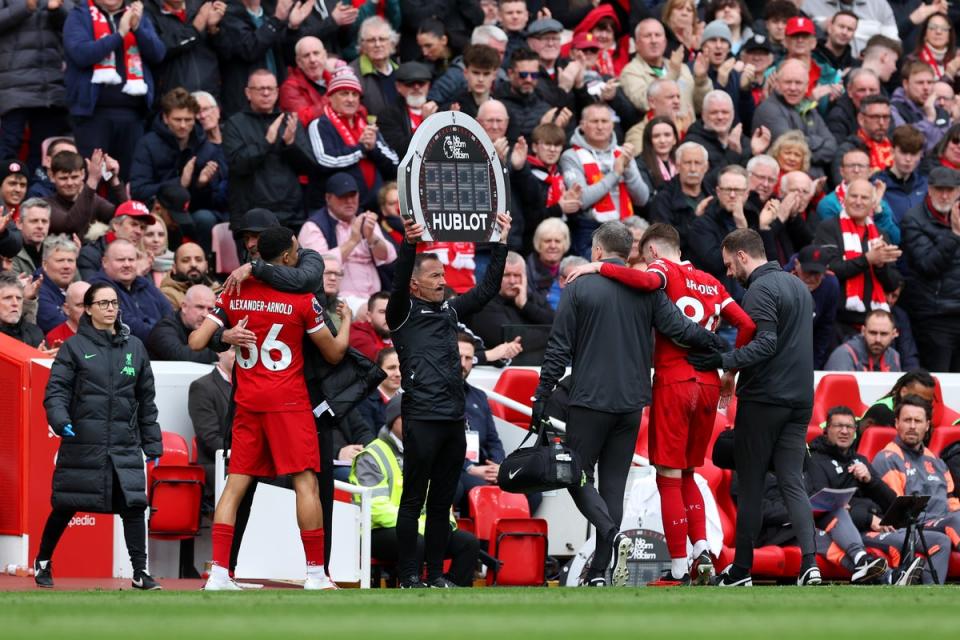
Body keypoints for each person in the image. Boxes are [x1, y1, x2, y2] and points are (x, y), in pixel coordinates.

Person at [534, 220, 726, 587]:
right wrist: (720, 346)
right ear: (630, 253)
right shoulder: (648, 292)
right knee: (613, 484)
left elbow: (557, 348)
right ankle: (601, 572)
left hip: (590, 399)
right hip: (632, 403)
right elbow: (682, 329)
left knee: (573, 473)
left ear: (596, 251)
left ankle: (606, 533)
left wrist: (542, 395)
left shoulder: (580, 286)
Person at [189, 226, 352, 591]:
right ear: (288, 257)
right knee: (306, 484)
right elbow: (334, 353)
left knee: (234, 487)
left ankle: (218, 573)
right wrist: (348, 324)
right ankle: (314, 574)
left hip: (248, 402)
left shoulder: (235, 291)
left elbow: (196, 340)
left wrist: (226, 337)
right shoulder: (301, 299)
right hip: (289, 403)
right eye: (295, 249)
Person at [384, 211, 512, 589]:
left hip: (453, 420)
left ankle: (436, 575)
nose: (443, 281)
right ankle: (408, 575)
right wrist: (409, 243)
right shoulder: (402, 313)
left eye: (443, 275)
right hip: (421, 418)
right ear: (416, 284)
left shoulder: (451, 311)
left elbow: (487, 290)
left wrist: (501, 243)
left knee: (442, 504)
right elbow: (396, 281)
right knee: (413, 501)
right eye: (435, 276)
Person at [688, 228, 819, 587]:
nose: (729, 273)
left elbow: (765, 345)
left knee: (750, 484)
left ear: (743, 256)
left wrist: (721, 361)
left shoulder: (761, 289)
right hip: (800, 399)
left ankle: (742, 569)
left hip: (764, 399)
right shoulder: (798, 287)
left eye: (730, 265)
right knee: (792, 481)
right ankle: (811, 564)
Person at [35, 281, 163, 590]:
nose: (110, 308)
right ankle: (43, 561)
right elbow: (56, 391)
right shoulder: (73, 347)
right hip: (84, 442)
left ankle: (139, 572)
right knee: (66, 505)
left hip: (124, 444)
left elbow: (146, 400)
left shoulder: (135, 347)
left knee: (133, 506)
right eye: (103, 303)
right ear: (88, 309)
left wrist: (152, 442)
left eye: (114, 303)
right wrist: (60, 419)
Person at [349, 394, 480, 587]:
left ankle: (449, 591)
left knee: (468, 543)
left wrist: (445, 525)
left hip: (418, 527)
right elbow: (375, 508)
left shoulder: (427, 449)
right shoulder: (372, 455)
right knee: (415, 540)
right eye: (408, 415)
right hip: (377, 530)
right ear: (393, 420)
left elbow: (438, 498)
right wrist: (418, 526)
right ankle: (410, 583)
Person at [806, 406, 943, 585]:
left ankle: (918, 585)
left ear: (856, 431)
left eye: (849, 427)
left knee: (938, 540)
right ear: (827, 430)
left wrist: (870, 480)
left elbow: (893, 504)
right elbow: (824, 505)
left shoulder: (860, 460)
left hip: (874, 525)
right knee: (899, 540)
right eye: (838, 426)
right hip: (846, 529)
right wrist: (868, 517)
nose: (844, 431)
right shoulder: (815, 461)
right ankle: (892, 576)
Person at [63, 0, 166, 182]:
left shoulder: (136, 14)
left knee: (126, 180)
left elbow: (158, 54)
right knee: (92, 180)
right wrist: (119, 35)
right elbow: (81, 54)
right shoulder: (80, 15)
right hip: (93, 115)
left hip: (132, 115)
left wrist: (138, 28)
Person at [128, 87, 227, 252]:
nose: (183, 125)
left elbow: (214, 201)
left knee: (206, 218)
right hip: (159, 210)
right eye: (177, 119)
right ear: (166, 118)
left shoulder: (204, 147)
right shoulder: (148, 144)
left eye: (188, 120)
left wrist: (201, 185)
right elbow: (138, 190)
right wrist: (179, 183)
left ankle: (203, 267)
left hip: (192, 210)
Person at [222, 69, 316, 230]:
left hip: (291, 215)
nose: (266, 93)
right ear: (248, 93)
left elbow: (309, 167)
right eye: (260, 89)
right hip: (251, 219)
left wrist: (290, 144)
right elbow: (237, 165)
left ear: (277, 92)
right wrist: (266, 142)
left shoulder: (289, 121)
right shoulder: (234, 124)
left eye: (270, 89)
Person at [872, 396, 960, 555]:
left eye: (918, 421)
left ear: (927, 426)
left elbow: (952, 502)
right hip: (913, 525)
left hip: (945, 521)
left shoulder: (936, 461)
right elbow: (898, 511)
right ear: (897, 423)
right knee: (956, 521)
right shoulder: (888, 458)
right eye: (907, 420)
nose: (912, 426)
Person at [814, 178, 901, 338]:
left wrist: (881, 266)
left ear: (873, 204)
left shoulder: (881, 234)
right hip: (836, 320)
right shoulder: (828, 228)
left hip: (874, 326)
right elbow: (829, 270)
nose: (858, 202)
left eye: (864, 197)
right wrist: (867, 259)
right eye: (854, 196)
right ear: (844, 199)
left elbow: (892, 283)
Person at [560, 103, 649, 258]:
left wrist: (627, 170)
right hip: (591, 231)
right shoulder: (571, 156)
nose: (600, 127)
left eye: (604, 121)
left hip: (624, 227)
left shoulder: (622, 153)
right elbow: (582, 198)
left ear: (612, 125)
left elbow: (642, 199)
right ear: (582, 125)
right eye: (594, 121)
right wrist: (615, 173)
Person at [305, 66, 400, 212]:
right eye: (344, 94)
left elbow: (394, 163)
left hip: (375, 208)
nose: (350, 99)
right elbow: (325, 160)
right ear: (330, 97)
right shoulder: (320, 124)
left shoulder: (367, 126)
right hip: (339, 211)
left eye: (355, 94)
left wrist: (373, 147)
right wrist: (362, 148)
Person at [297, 172, 397, 308]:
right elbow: (317, 265)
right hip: (337, 300)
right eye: (343, 196)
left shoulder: (365, 220)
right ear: (328, 198)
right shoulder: (313, 227)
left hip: (375, 297)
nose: (349, 201)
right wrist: (352, 241)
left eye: (352, 195)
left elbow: (389, 257)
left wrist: (371, 237)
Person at [899, 166, 960, 372]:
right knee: (939, 382)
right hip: (934, 316)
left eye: (950, 190)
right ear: (929, 190)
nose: (944, 195)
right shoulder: (913, 219)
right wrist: (954, 235)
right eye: (939, 190)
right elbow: (927, 265)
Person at [751, 59, 838, 176]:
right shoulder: (768, 109)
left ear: (807, 86)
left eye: (798, 83)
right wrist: (818, 141)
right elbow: (790, 147)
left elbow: (831, 147)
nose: (793, 88)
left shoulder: (809, 108)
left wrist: (803, 148)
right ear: (777, 83)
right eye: (788, 82)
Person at [620, 18, 710, 121]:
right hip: (660, 135)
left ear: (665, 42)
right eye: (647, 36)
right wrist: (672, 74)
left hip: (689, 133)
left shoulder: (682, 68)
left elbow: (700, 107)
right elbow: (645, 102)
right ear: (637, 44)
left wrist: (701, 80)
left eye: (658, 35)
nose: (653, 41)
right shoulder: (631, 71)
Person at [87, 238, 172, 341]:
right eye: (120, 260)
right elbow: (126, 323)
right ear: (105, 262)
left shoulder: (145, 284)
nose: (127, 264)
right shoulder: (98, 288)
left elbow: (170, 315)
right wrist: (165, 334)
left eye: (131, 260)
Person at [467, 251, 555, 350]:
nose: (512, 281)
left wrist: (526, 306)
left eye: (517, 275)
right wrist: (553, 334)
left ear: (525, 277)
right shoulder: (483, 302)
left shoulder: (532, 299)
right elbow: (512, 339)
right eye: (506, 275)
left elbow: (556, 322)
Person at [146, 0, 226, 99]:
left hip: (209, 95)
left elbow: (227, 53)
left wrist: (213, 29)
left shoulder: (202, 6)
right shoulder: (147, 11)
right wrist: (195, 28)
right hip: (173, 99)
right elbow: (157, 50)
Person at [188, 347, 234, 508]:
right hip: (217, 462)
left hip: (243, 458)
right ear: (219, 352)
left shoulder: (251, 386)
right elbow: (209, 438)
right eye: (234, 350)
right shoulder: (202, 387)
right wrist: (244, 455)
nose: (239, 356)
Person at [648, 141, 709, 259]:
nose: (693, 169)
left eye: (698, 163)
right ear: (678, 166)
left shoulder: (713, 196)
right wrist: (695, 218)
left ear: (706, 167)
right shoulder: (662, 199)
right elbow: (664, 242)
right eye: (687, 163)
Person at [43, 149, 126, 237]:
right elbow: (70, 225)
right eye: (63, 178)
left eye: (74, 177)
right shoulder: (45, 206)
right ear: (52, 177)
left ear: (83, 174)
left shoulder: (93, 200)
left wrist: (114, 179)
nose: (70, 183)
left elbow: (124, 216)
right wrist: (92, 180)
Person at [785, 244, 839, 369]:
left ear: (826, 269)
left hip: (810, 339)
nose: (811, 279)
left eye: (817, 274)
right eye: (807, 272)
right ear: (797, 264)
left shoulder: (831, 284)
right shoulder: (782, 280)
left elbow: (825, 328)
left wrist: (814, 366)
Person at [78, 200, 156, 279]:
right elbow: (94, 288)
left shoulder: (141, 258)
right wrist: (135, 274)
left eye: (143, 227)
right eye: (134, 224)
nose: (138, 231)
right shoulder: (90, 254)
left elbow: (151, 291)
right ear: (116, 225)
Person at [378, 61, 438, 158]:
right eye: (410, 83)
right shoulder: (388, 115)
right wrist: (426, 123)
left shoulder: (440, 110)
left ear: (428, 85)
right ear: (398, 87)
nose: (416, 87)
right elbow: (400, 150)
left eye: (421, 83)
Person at [146, 283, 218, 363]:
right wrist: (219, 350)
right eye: (200, 307)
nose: (206, 314)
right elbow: (181, 356)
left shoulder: (211, 327)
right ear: (184, 307)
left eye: (210, 309)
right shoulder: (163, 329)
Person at [891, 60, 950, 155]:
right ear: (906, 84)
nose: (926, 88)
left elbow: (946, 147)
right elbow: (907, 143)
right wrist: (929, 120)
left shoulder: (942, 112)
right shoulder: (895, 109)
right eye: (920, 83)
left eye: (930, 82)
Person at [876, 125, 928, 229]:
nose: (908, 159)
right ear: (892, 151)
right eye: (903, 152)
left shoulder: (925, 185)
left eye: (913, 154)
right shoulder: (877, 185)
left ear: (920, 155)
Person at [825, 309, 902, 372]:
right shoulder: (844, 355)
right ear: (863, 331)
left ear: (894, 334)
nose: (878, 339)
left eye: (884, 334)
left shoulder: (893, 357)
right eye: (873, 333)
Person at [279, 36, 331, 127]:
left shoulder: (335, 79)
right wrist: (332, 98)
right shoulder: (290, 87)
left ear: (325, 56)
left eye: (316, 53)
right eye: (306, 55)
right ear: (298, 61)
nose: (312, 60)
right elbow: (300, 120)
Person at [36, 234, 80, 335]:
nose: (67, 266)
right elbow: (60, 326)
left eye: (70, 261)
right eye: (60, 261)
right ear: (45, 264)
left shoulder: (73, 287)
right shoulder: (37, 290)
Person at [861, 369, 936, 428]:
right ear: (903, 392)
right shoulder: (882, 411)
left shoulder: (926, 414)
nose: (923, 405)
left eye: (927, 402)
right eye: (919, 399)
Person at [158, 242, 220, 310]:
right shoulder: (165, 295)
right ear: (174, 268)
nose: (193, 264)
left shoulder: (219, 291)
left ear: (206, 266)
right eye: (185, 260)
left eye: (198, 260)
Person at [525, 218, 570, 310]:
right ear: (538, 244)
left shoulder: (572, 269)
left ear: (565, 244)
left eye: (557, 241)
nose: (553, 246)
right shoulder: (526, 270)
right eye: (547, 241)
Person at [826, 68, 881, 143]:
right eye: (862, 90)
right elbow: (839, 151)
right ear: (849, 91)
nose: (868, 95)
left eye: (872, 90)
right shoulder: (838, 117)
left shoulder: (885, 111)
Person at [0, 271, 47, 349]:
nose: (15, 303)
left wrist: (50, 359)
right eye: (7, 298)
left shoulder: (35, 332)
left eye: (18, 298)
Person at [349, 291, 392, 362]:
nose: (388, 316)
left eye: (391, 311)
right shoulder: (358, 337)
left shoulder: (393, 333)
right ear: (369, 316)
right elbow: (385, 363)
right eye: (382, 312)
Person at [46, 280, 91, 348]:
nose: (86, 310)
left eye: (90, 304)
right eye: (80, 305)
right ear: (67, 309)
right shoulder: (55, 338)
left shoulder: (105, 332)